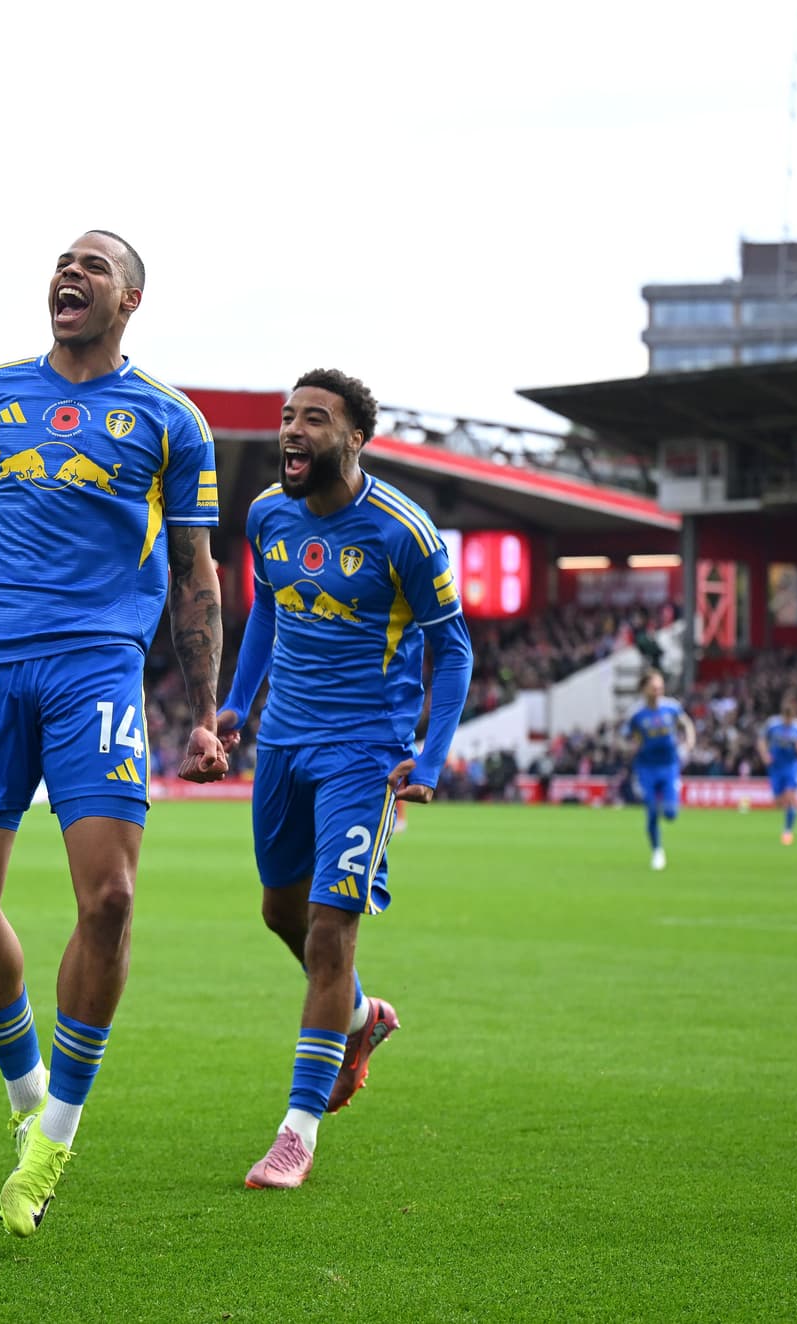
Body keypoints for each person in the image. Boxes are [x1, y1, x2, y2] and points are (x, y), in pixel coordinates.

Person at [0, 231, 229, 1236]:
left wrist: (205, 712)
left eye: (95, 266)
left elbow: (196, 574)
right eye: (64, 262)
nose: (72, 275)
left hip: (95, 667)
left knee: (109, 897)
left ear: (132, 299)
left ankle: (56, 1136)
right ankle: (27, 1101)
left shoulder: (171, 419)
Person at [215, 368, 472, 1190]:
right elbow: (266, 611)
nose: (293, 431)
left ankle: (297, 1131)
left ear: (356, 438)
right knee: (277, 912)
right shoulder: (264, 515)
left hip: (364, 753)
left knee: (330, 933)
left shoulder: (405, 531)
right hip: (283, 745)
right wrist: (234, 706)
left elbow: (454, 647)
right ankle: (362, 1018)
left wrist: (428, 759)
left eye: (315, 420)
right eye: (287, 417)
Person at [625, 670, 695, 870]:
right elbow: (625, 737)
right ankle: (657, 851)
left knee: (671, 813)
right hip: (646, 767)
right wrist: (630, 746)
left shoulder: (671, 708)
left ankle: (671, 795)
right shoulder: (636, 714)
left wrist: (689, 741)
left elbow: (686, 724)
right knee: (652, 810)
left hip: (669, 765)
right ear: (644, 689)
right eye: (654, 687)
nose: (658, 691)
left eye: (660, 687)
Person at [757, 695, 797, 845]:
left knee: (790, 797)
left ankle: (788, 831)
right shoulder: (773, 725)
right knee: (778, 802)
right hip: (775, 767)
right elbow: (761, 740)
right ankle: (789, 817)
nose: (788, 720)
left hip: (791, 766)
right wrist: (764, 755)